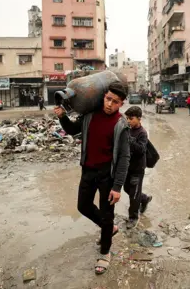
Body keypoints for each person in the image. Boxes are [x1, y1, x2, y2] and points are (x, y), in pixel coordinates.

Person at [54, 81, 130, 275]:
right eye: (108, 99)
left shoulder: (121, 125)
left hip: (107, 176)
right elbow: (72, 130)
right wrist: (62, 117)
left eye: (115, 102)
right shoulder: (89, 115)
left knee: (106, 214)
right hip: (88, 170)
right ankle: (109, 228)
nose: (109, 104)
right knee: (83, 206)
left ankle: (105, 252)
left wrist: (117, 187)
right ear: (103, 96)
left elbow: (123, 157)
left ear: (121, 104)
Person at [124, 106, 152, 229]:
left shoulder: (142, 133)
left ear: (139, 118)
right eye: (127, 118)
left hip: (137, 168)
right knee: (127, 189)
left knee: (134, 195)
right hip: (127, 167)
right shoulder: (128, 129)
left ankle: (133, 217)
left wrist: (130, 140)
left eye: (131, 118)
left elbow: (141, 150)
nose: (129, 121)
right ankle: (144, 198)